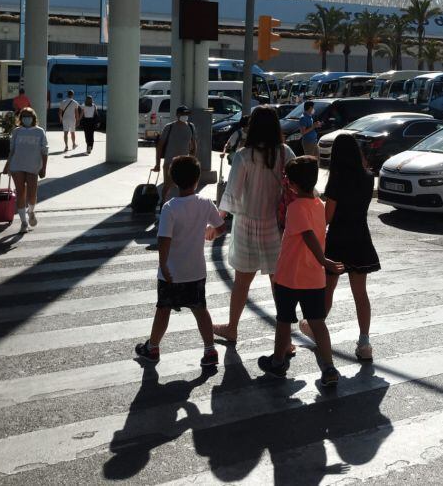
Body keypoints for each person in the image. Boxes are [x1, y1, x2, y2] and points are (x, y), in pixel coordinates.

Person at [213, 106, 296, 343]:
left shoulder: (244, 155)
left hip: (247, 225)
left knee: (241, 283)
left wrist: (218, 220)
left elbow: (232, 193)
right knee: (278, 285)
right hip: (276, 227)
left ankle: (232, 328)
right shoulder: (285, 152)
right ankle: (286, 340)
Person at [258, 156, 342, 386]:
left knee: (284, 321)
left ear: (292, 184)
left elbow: (307, 235)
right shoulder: (319, 205)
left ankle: (277, 362)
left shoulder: (295, 208)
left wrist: (323, 260)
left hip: (289, 276)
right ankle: (329, 367)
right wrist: (322, 263)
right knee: (317, 323)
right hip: (313, 278)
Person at [134, 155, 225, 368]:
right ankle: (210, 350)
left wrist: (163, 265)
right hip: (196, 271)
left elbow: (163, 238)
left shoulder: (170, 207)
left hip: (172, 272)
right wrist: (210, 232)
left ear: (174, 181)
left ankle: (153, 347)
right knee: (200, 309)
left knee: (163, 309)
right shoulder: (205, 203)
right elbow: (221, 228)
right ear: (197, 179)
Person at [301, 133, 380, 361]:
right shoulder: (367, 178)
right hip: (360, 237)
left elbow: (328, 217)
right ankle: (364, 342)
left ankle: (316, 328)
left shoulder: (336, 180)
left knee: (328, 289)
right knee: (360, 293)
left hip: (337, 239)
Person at [3, 106, 48, 232]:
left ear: (33, 118)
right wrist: (7, 166)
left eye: (29, 116)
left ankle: (31, 211)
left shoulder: (39, 131)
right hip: (17, 165)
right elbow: (12, 150)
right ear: (21, 118)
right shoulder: (16, 131)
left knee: (32, 194)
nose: (26, 118)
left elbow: (45, 151)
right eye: (24, 116)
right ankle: (23, 222)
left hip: (33, 166)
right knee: (20, 192)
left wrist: (44, 168)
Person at [154, 106, 197, 203]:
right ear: (177, 115)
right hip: (170, 162)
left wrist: (193, 161)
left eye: (186, 114)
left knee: (184, 186)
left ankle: (181, 205)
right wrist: (157, 164)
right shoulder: (169, 127)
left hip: (184, 163)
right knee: (167, 186)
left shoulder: (191, 126)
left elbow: (194, 145)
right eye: (183, 114)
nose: (185, 116)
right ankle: (163, 204)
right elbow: (160, 146)